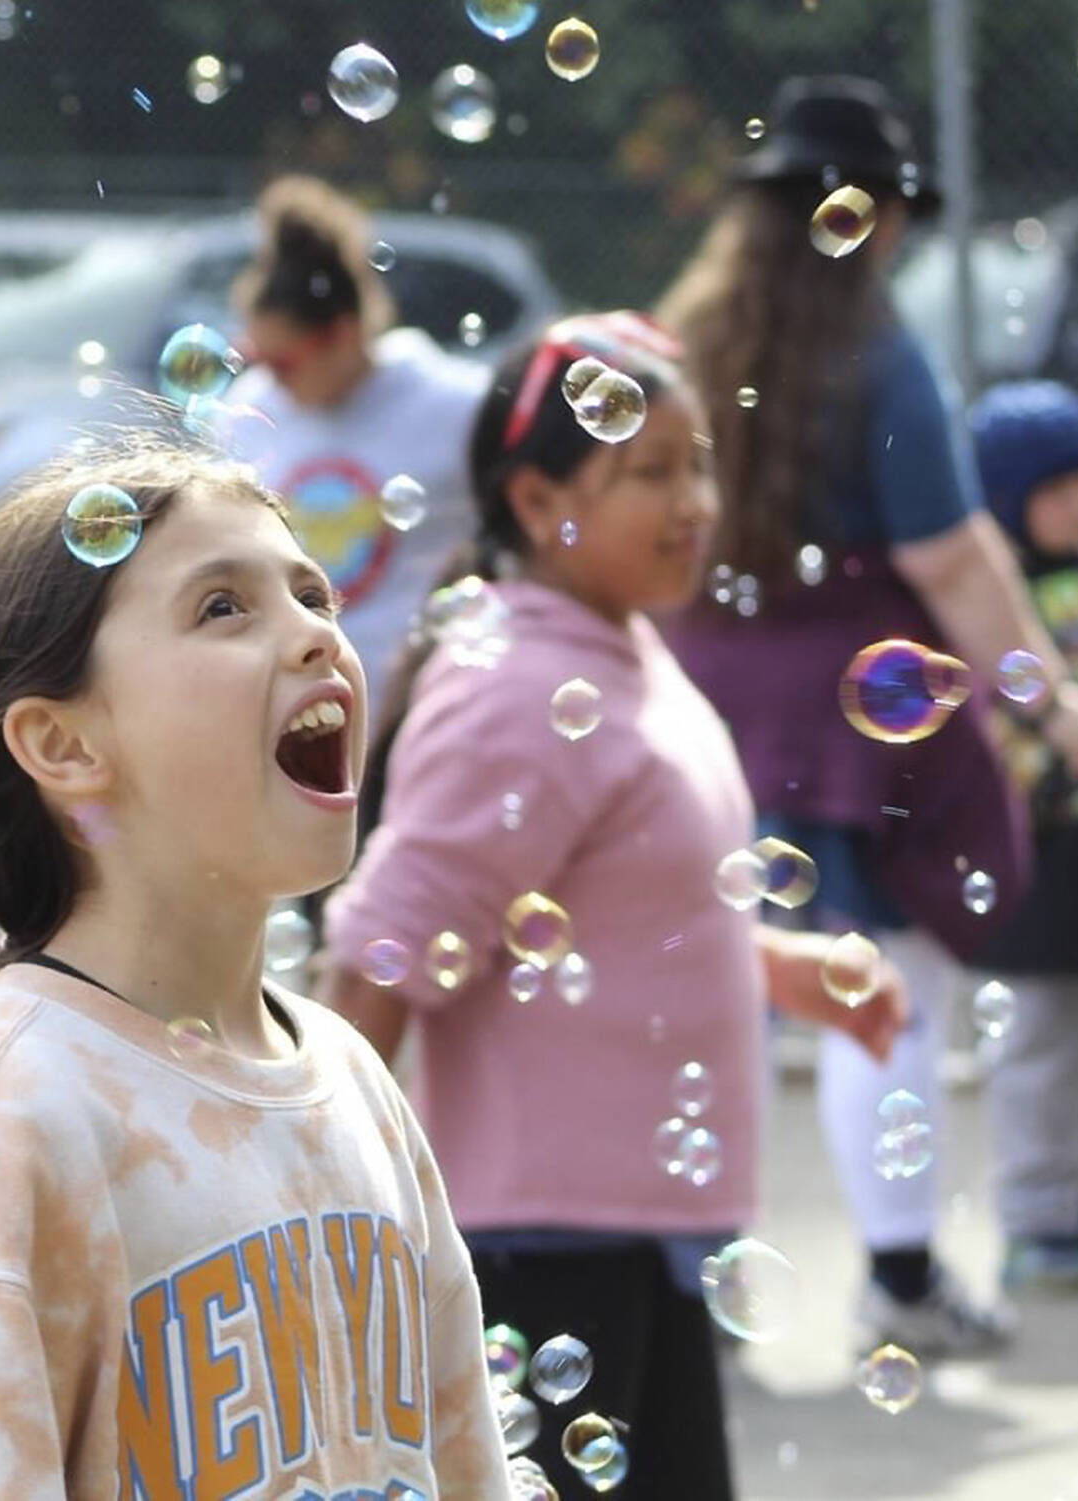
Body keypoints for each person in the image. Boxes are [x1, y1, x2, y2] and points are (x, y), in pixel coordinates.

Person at [321, 311, 906, 1498]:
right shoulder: (523, 685)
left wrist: (771, 962)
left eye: (699, 464)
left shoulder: (612, 647)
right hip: (540, 1250)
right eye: (650, 471)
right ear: (538, 503)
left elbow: (626, 901)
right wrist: (337, 1212)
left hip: (631, 1236)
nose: (693, 500)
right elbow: (384, 956)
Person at [0, 433, 510, 1498]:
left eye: (314, 594)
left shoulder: (351, 1077)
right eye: (224, 607)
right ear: (67, 747)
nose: (316, 635)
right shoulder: (12, 1116)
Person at [656, 75, 1078, 1356]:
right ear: (866, 221)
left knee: (717, 991)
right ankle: (903, 1283)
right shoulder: (875, 351)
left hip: (697, 707)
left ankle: (696, 1288)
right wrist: (1057, 700)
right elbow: (957, 561)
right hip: (854, 725)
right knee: (884, 994)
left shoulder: (684, 338)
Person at [967, 379, 1078, 1293]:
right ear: (1004, 500)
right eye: (1054, 488)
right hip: (1024, 864)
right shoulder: (986, 589)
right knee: (1037, 1047)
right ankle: (1042, 1222)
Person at [224, 173, 489, 719]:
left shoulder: (456, 405)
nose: (271, 379)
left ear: (343, 333)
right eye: (258, 357)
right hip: (296, 709)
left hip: (426, 707)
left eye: (285, 362)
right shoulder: (249, 413)